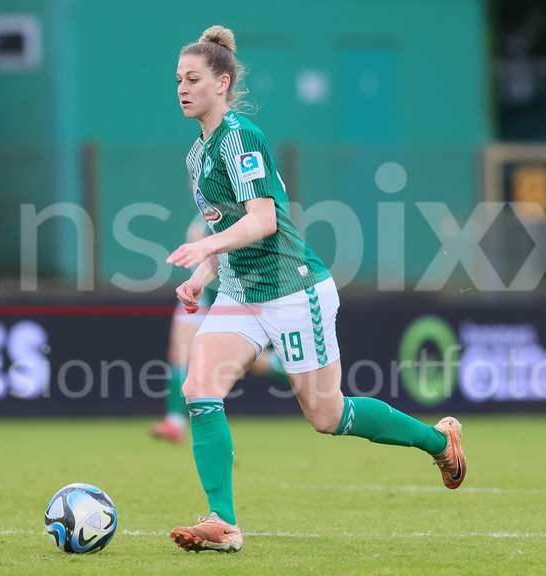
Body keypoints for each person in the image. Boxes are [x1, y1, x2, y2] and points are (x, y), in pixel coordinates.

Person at [165, 26, 466, 553]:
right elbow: (226, 234)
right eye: (178, 81)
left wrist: (207, 251)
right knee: (199, 388)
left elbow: (261, 221)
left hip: (292, 290)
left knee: (327, 417)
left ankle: (439, 442)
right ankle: (223, 522)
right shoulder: (197, 155)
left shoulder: (241, 138)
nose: (182, 89)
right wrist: (202, 275)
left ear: (222, 82)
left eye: (193, 79)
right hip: (241, 295)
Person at [151, 218, 288, 444]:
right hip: (202, 294)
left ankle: (305, 374)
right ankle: (175, 422)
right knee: (179, 352)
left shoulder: (238, 206)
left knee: (256, 363)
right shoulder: (203, 211)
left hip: (234, 296)